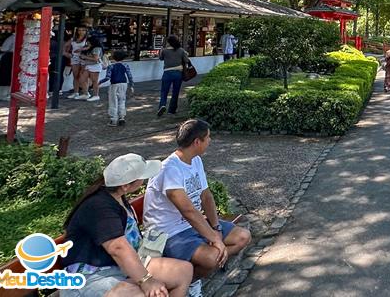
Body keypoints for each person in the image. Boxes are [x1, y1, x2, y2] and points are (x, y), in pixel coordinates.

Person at [61, 153, 192, 297]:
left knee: (184, 271)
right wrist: (146, 281)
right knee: (147, 294)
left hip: (117, 267)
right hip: (90, 277)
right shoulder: (99, 206)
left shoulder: (116, 196)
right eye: (142, 176)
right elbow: (117, 248)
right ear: (125, 185)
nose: (145, 178)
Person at [144, 120, 251, 295]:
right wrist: (215, 240)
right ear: (197, 142)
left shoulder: (196, 161)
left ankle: (192, 277)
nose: (210, 141)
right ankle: (192, 280)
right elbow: (188, 211)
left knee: (242, 237)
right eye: (208, 137)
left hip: (191, 226)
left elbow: (206, 196)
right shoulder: (169, 169)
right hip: (168, 233)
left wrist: (215, 228)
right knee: (211, 258)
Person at [100, 50, 135, 127]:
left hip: (114, 84)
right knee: (122, 100)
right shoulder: (126, 65)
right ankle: (122, 117)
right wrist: (131, 85)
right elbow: (130, 76)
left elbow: (107, 77)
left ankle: (113, 119)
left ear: (113, 57)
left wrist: (99, 82)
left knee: (113, 101)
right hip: (124, 84)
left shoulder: (111, 66)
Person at [158, 35, 189, 118]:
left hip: (167, 73)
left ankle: (162, 105)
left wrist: (161, 50)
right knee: (175, 92)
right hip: (178, 73)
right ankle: (172, 110)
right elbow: (186, 60)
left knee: (164, 91)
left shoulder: (165, 51)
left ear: (169, 42)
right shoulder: (181, 50)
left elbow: (160, 58)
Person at [79, 35, 105, 102]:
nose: (87, 43)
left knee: (94, 81)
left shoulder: (96, 48)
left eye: (89, 42)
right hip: (88, 65)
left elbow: (95, 59)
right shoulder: (90, 47)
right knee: (82, 79)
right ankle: (86, 93)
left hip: (95, 66)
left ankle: (96, 95)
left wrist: (85, 57)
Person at [66, 27, 89, 99]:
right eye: (79, 30)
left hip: (83, 58)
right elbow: (65, 45)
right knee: (75, 76)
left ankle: (86, 92)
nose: (81, 32)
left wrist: (82, 49)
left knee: (83, 76)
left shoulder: (87, 39)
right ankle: (76, 92)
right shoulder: (73, 39)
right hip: (74, 58)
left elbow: (90, 47)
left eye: (83, 30)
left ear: (86, 31)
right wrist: (66, 53)